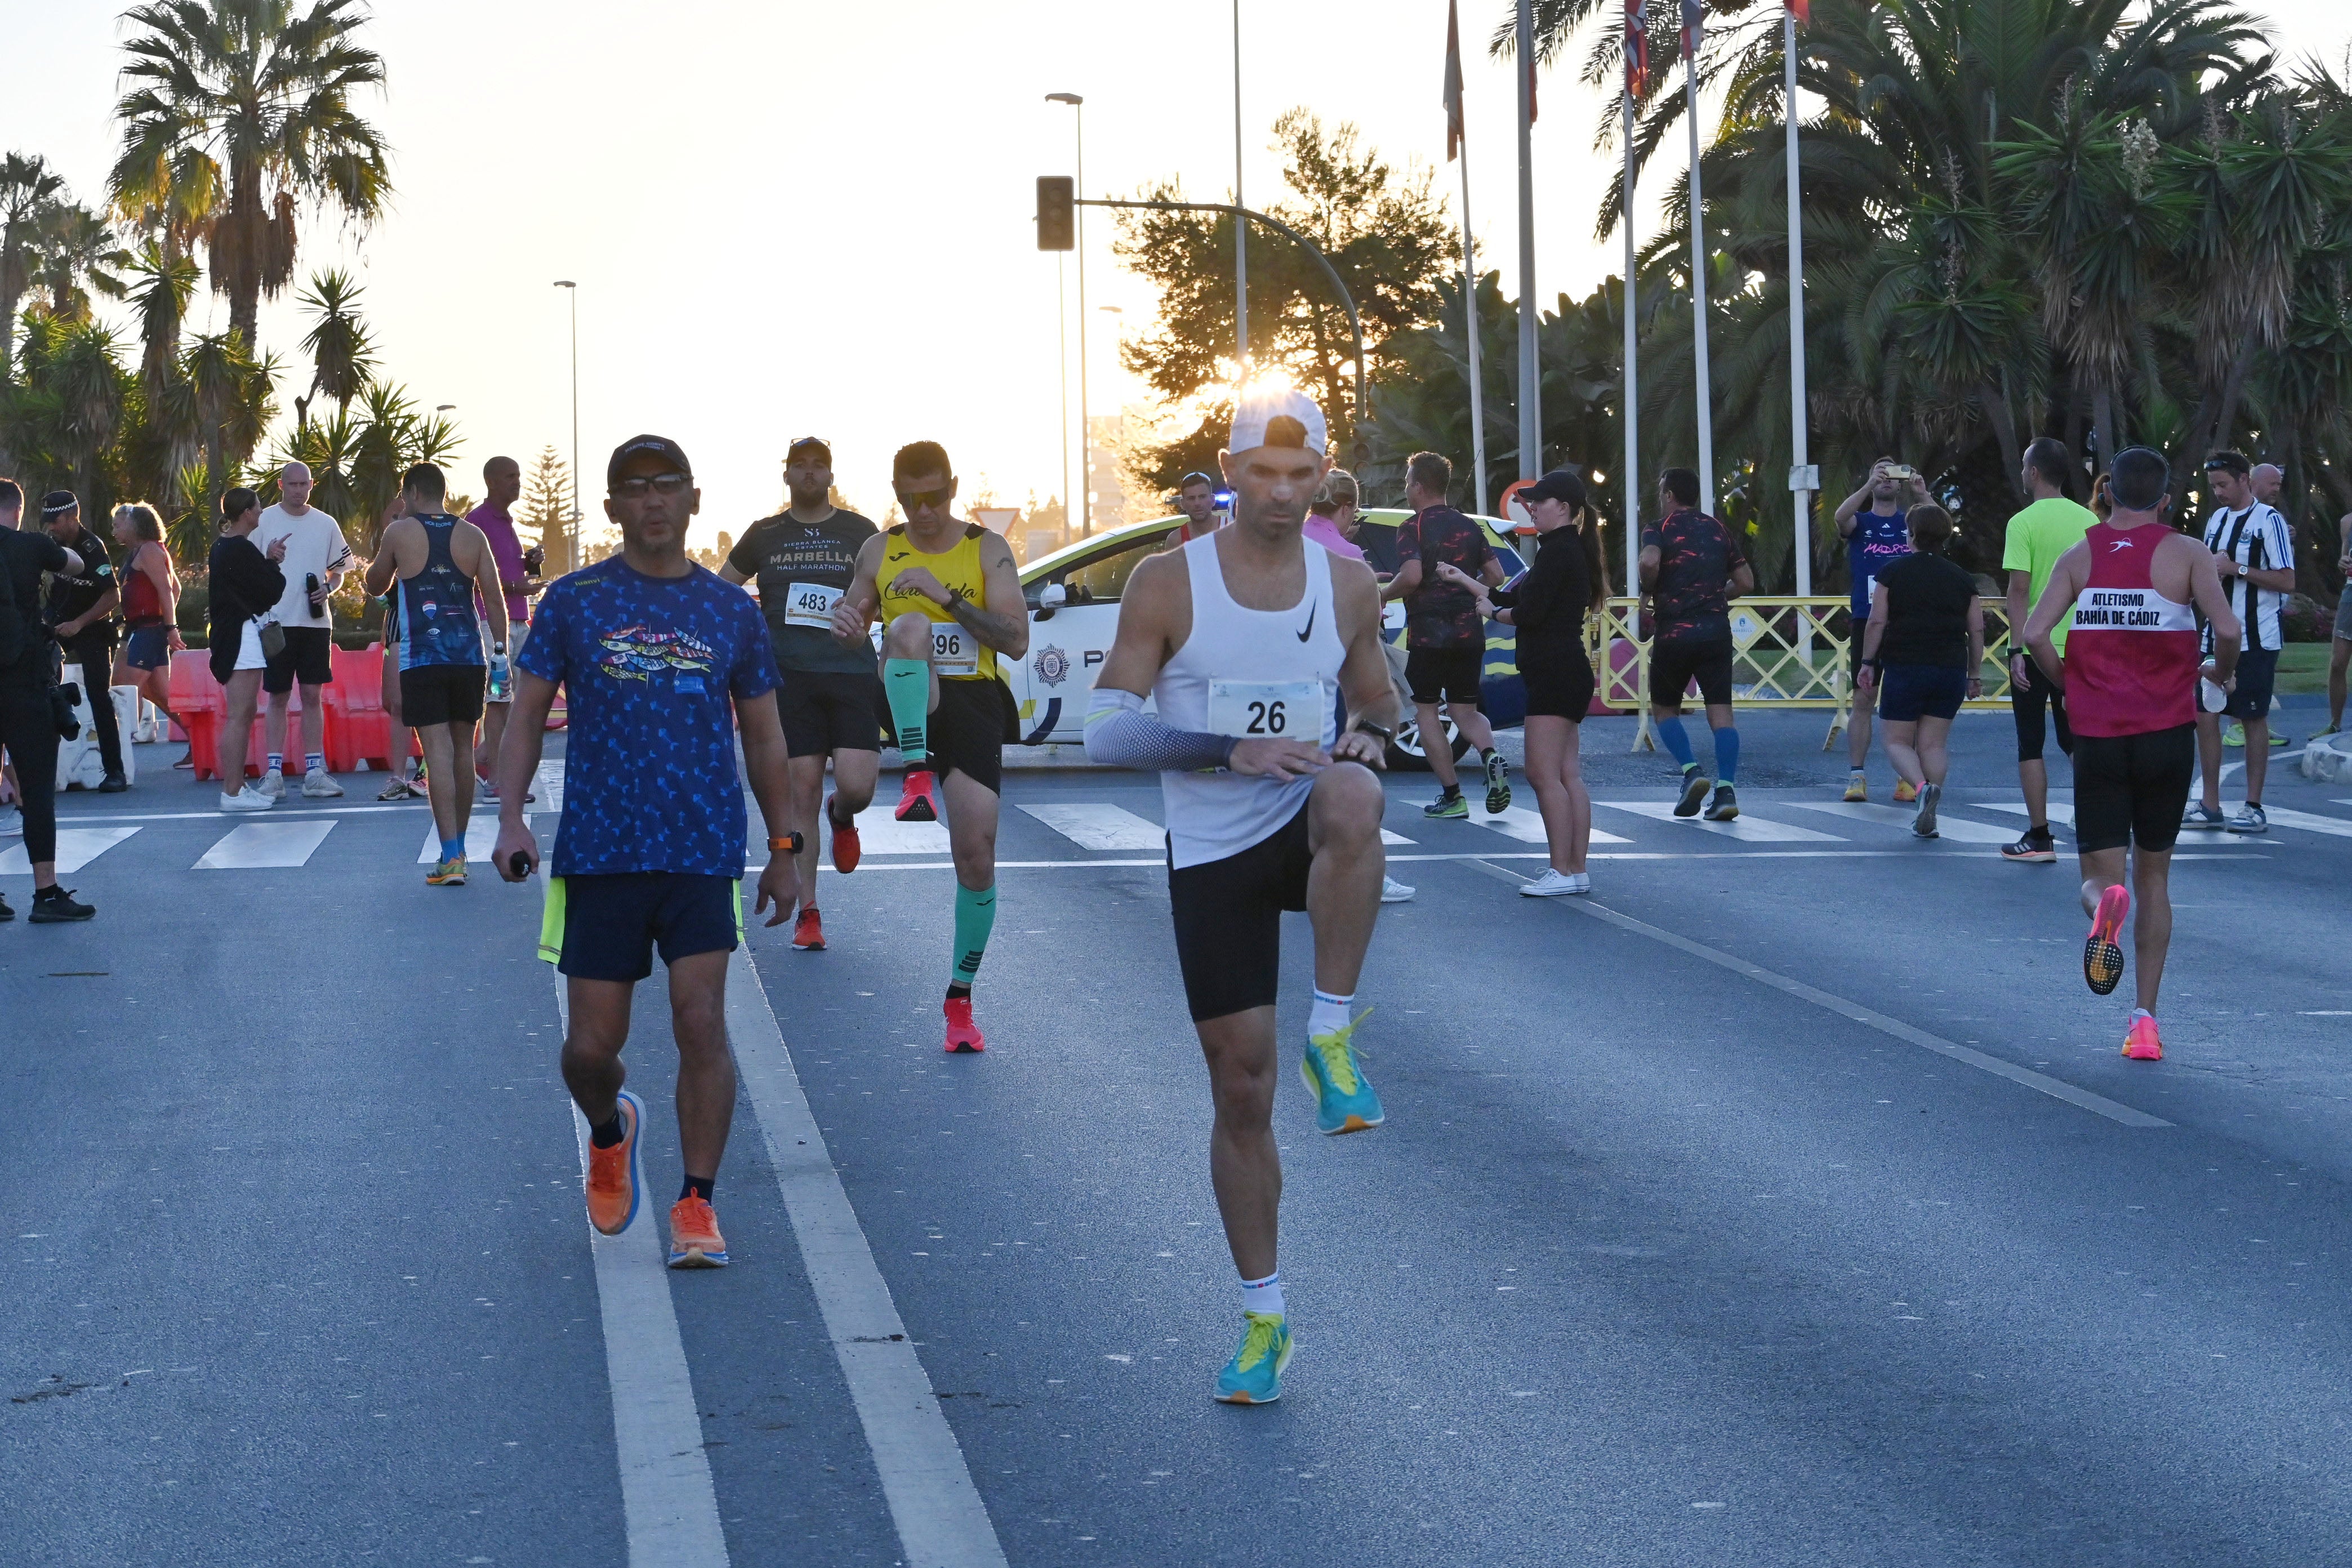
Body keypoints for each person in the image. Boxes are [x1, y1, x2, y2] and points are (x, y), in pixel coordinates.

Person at [1085, 382, 1397, 1404]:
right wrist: (1230, 746)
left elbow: (1376, 688)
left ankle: (1336, 1032)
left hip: (1305, 818)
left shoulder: (1345, 584)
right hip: (1216, 847)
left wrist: (1367, 730)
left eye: (1300, 474)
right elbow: (1107, 730)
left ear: (1322, 475)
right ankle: (1265, 1315)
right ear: (1229, 474)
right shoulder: (1167, 581)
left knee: (1355, 794)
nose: (1280, 492)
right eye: (1260, 474)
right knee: (1240, 1088)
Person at [494, 433, 799, 1271]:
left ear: (694, 500)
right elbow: (524, 717)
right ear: (612, 507)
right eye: (635, 488)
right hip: (600, 850)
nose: (653, 500)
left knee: (701, 1021)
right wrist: (512, 818)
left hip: (701, 848)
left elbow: (767, 734)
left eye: (668, 486)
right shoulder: (574, 601)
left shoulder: (732, 611)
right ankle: (608, 1127)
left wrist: (784, 846)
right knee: (589, 1050)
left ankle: (698, 1202)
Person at [2022, 446, 2240, 1063]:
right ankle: (2144, 1021)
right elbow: (2227, 630)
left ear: (2109, 494)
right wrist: (2219, 678)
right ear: (2166, 499)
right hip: (2167, 733)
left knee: (2100, 876)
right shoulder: (2187, 553)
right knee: (2155, 876)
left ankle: (2102, 909)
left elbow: (2035, 633)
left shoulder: (2080, 554)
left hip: (2098, 735)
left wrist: (2068, 684)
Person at [831, 441, 1027, 1053]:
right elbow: (853, 623)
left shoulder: (984, 550)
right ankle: (893, 785)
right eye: (909, 499)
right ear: (896, 494)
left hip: (970, 701)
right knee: (908, 631)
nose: (923, 511)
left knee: (977, 857)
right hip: (901, 691)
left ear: (953, 487)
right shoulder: (879, 551)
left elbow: (1016, 640)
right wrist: (848, 628)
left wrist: (949, 598)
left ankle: (960, 999)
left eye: (934, 497)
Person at [723, 436, 881, 952]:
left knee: (858, 786)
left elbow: (882, 591)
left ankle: (843, 815)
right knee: (801, 791)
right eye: (801, 467)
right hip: (788, 678)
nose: (810, 474)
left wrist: (865, 622)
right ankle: (809, 912)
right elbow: (724, 591)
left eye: (819, 467)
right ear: (787, 476)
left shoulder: (859, 531)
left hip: (851, 672)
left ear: (831, 476)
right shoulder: (764, 533)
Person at [1449, 467, 1607, 894]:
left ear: (1564, 508)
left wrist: (1493, 616)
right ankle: (1575, 870)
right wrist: (1467, 582)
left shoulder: (1558, 553)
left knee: (1542, 773)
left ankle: (1561, 869)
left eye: (1539, 501)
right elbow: (1513, 595)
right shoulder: (1563, 549)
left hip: (1555, 672)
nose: (1532, 507)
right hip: (1565, 670)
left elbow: (1526, 613)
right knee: (1566, 773)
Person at [363, 463, 509, 883]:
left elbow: (375, 585)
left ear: (410, 493)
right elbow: (494, 602)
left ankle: (451, 858)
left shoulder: (400, 532)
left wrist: (388, 541)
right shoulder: (472, 535)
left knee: (438, 753)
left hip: (422, 657)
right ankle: (459, 848)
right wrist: (500, 654)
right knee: (464, 750)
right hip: (470, 657)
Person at [1383, 451, 1509, 818]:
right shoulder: (1469, 525)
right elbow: (1497, 576)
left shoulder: (1413, 527)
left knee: (1425, 712)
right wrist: (1466, 590)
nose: (1406, 490)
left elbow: (1410, 577)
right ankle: (1491, 755)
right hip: (1470, 633)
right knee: (1465, 710)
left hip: (1428, 636)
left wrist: (1381, 595)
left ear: (1419, 487)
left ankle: (1453, 796)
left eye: (1408, 483)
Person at [1309, 469, 1412, 904]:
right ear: (1347, 508)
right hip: (1339, 681)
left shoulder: (1291, 542)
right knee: (1354, 783)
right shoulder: (1349, 555)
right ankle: (1368, 873)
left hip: (1292, 682)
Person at [2181, 451, 2293, 833]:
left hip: (2256, 637)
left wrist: (2237, 569)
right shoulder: (2216, 519)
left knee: (2251, 717)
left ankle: (2253, 805)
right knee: (2205, 716)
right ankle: (2210, 805)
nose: (2218, 493)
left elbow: (2287, 580)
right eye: (2213, 487)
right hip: (2214, 634)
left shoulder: (2269, 521)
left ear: (2245, 480)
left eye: (2224, 485)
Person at [1857, 504, 1984, 838]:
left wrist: (1868, 662)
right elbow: (1978, 630)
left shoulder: (1892, 572)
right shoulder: (1962, 578)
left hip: (1906, 666)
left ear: (1911, 534)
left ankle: (1921, 787)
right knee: (1934, 746)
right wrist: (1974, 673)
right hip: (1951, 669)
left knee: (1896, 741)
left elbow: (1877, 621)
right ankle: (1929, 812)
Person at [0, 478, 96, 920]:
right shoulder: (32, 545)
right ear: (17, 510)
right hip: (22, 681)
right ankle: (46, 893)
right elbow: (77, 563)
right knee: (37, 790)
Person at [1999, 439, 2096, 863]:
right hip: (2082, 644)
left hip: (2038, 643)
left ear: (2034, 472)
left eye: (2024, 466)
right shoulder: (2090, 519)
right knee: (2077, 739)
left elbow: (2019, 590)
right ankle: (2097, 820)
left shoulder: (2022, 523)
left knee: (2030, 743)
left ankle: (2040, 837)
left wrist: (2015, 647)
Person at [1641, 466, 1754, 821]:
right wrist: (1719, 594)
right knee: (1722, 715)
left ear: (1670, 495)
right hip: (1716, 631)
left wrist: (1649, 589)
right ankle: (1727, 791)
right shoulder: (1718, 528)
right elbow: (1746, 581)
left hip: (1674, 632)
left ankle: (1691, 771)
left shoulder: (1659, 529)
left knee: (1664, 710)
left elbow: (1648, 560)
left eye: (1662, 491)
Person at [251, 462, 354, 799]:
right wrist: (268, 557)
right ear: (281, 485)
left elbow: (339, 572)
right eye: (292, 484)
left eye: (304, 484)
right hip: (276, 621)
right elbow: (247, 565)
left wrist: (329, 587)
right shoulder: (263, 519)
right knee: (276, 696)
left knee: (313, 696)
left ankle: (314, 771)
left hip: (315, 622)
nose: (298, 490)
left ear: (312, 485)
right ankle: (274, 773)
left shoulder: (326, 523)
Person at [1833, 458, 1925, 801]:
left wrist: (1923, 493)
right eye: (1880, 472)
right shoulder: (1863, 522)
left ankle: (1907, 778)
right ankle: (1857, 776)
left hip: (1907, 620)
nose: (1887, 478)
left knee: (1907, 700)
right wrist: (1869, 484)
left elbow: (1939, 527)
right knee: (1863, 697)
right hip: (1867, 619)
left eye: (1892, 474)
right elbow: (1840, 518)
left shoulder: (1910, 523)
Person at [39, 491, 128, 793]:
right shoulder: (53, 545)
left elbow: (113, 596)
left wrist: (79, 623)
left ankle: (115, 771)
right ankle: (44, 771)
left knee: (99, 697)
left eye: (55, 522)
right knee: (40, 690)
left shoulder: (92, 548)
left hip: (91, 629)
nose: (51, 528)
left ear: (71, 518)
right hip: (58, 625)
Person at [467, 455, 544, 799]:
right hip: (491, 622)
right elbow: (472, 577)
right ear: (492, 482)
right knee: (498, 698)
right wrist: (515, 588)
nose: (518, 482)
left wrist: (527, 563)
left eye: (519, 475)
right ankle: (498, 778)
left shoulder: (506, 522)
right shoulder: (476, 523)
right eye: (511, 476)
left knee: (516, 698)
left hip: (517, 620)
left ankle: (485, 760)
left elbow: (503, 572)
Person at [208, 488, 289, 813]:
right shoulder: (240, 548)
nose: (261, 512)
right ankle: (232, 791)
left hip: (234, 634)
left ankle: (237, 786)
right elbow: (271, 590)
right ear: (246, 513)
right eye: (257, 508)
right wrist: (272, 563)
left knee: (240, 715)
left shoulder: (223, 547)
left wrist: (266, 561)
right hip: (241, 635)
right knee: (240, 716)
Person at [109, 502, 182, 752]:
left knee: (129, 691)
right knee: (160, 694)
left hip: (150, 629)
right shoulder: (139, 552)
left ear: (136, 524)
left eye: (121, 524)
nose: (116, 530)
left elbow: (168, 589)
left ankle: (122, 752)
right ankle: (202, 740)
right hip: (138, 629)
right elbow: (176, 588)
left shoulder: (150, 550)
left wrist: (169, 626)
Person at [373, 495, 424, 801]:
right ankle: (397, 777)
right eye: (391, 516)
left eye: (400, 514)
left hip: (429, 628)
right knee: (396, 704)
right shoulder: (388, 549)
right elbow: (378, 589)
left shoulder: (430, 541)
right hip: (397, 629)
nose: (395, 520)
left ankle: (430, 771)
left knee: (433, 707)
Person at [2326, 508, 2352, 738]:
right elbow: (2343, 562)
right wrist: (2342, 562)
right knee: (2338, 663)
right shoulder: (2347, 522)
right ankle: (2335, 723)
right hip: (2350, 598)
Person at [1161, 471, 1223, 551]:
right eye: (1191, 498)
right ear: (1182, 504)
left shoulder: (1231, 528)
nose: (1197, 503)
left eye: (1202, 497)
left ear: (1213, 500)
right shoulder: (1176, 541)